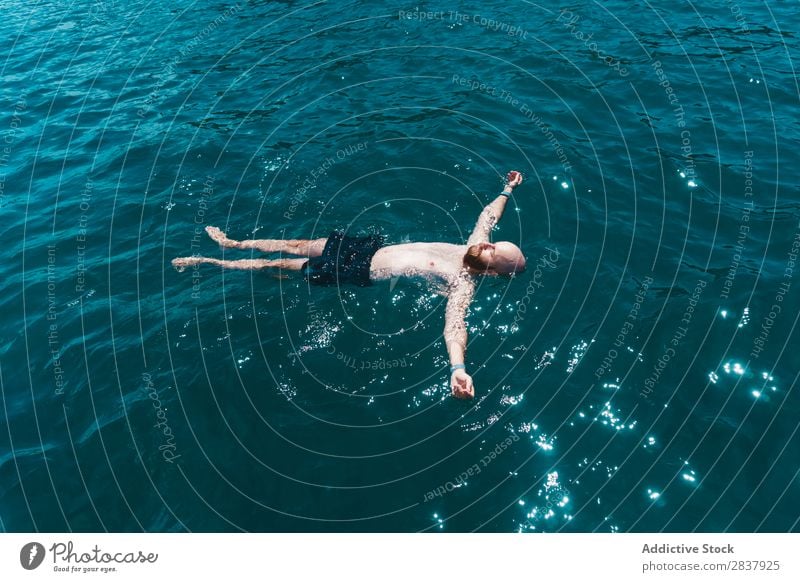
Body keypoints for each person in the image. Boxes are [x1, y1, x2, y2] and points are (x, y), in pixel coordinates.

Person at [172, 171, 526, 399]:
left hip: (358, 273)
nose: (488, 245)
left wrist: (457, 368)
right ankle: (232, 244)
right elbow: (489, 216)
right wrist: (507, 188)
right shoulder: (475, 245)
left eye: (494, 253)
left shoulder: (463, 283)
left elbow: (455, 327)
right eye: (495, 243)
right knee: (298, 244)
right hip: (369, 248)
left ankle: (209, 263)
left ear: (493, 271)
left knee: (282, 265)